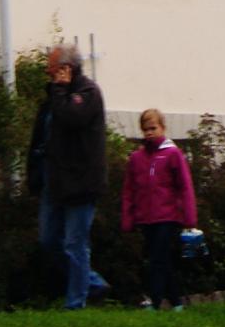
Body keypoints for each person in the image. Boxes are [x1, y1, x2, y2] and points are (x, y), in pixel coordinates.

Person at [27, 45, 108, 309]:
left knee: (75, 243)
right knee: (48, 241)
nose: (47, 72)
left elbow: (71, 120)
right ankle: (93, 283)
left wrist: (60, 90)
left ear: (65, 69)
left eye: (51, 67)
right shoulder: (53, 99)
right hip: (55, 181)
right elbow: (42, 138)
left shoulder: (87, 93)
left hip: (80, 181)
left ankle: (76, 302)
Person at [120, 109, 198, 312]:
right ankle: (176, 302)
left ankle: (153, 301)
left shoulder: (172, 154)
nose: (149, 133)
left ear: (162, 128)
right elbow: (129, 189)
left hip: (167, 216)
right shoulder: (137, 158)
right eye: (145, 129)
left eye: (153, 128)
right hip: (146, 218)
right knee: (161, 260)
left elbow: (185, 186)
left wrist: (189, 217)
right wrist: (128, 217)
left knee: (157, 258)